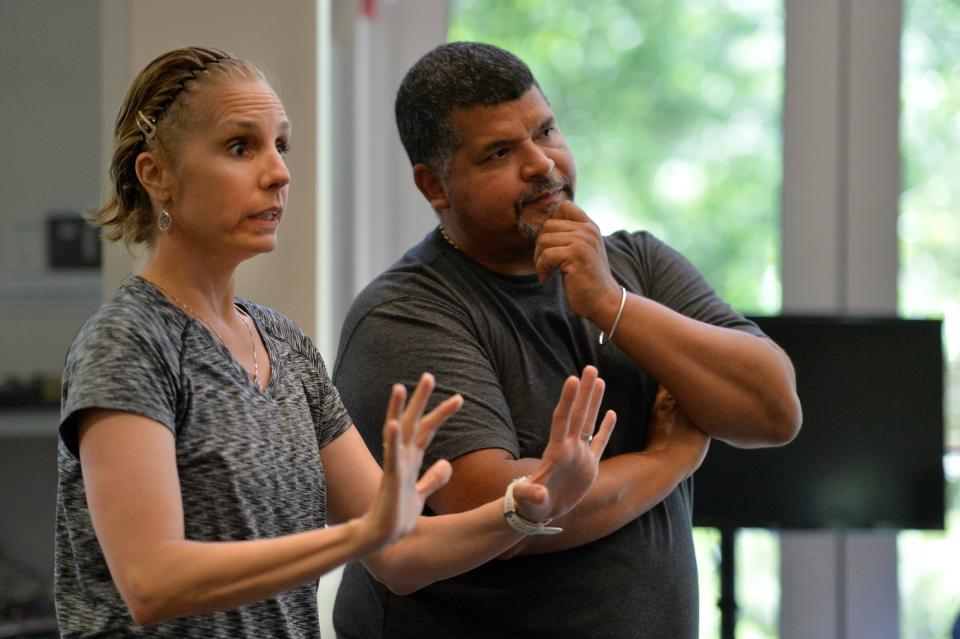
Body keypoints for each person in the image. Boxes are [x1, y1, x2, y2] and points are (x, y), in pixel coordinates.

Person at [54, 46, 620, 639]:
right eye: (241, 147)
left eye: (281, 146)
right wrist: (360, 535)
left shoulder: (285, 346)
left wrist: (528, 506)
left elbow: (400, 554)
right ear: (156, 176)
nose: (278, 172)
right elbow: (152, 581)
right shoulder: (129, 339)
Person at [332, 42, 803, 638]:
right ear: (436, 185)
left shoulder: (637, 264)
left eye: (546, 131)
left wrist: (612, 304)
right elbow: (502, 513)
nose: (542, 164)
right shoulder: (405, 313)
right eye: (500, 152)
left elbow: (773, 409)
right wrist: (668, 461)